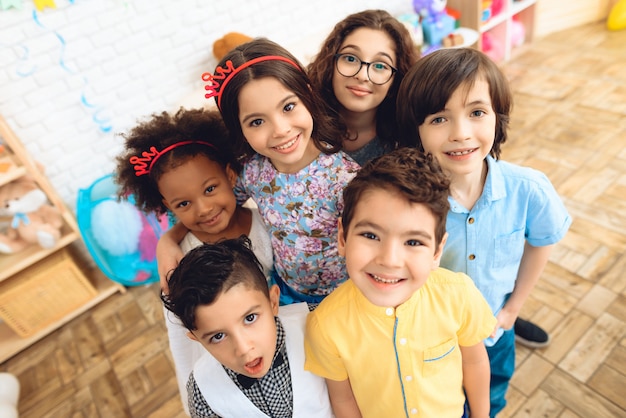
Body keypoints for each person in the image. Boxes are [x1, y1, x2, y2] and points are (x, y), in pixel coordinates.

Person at [396, 47, 572, 417]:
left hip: (494, 332)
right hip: (433, 343)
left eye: (477, 113)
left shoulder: (529, 190)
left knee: (489, 402)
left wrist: (513, 309)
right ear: (417, 130)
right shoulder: (406, 202)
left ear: (497, 117)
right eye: (439, 118)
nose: (461, 134)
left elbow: (541, 243)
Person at [160, 37, 360, 305]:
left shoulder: (348, 179)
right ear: (239, 129)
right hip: (285, 294)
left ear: (308, 96)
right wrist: (168, 241)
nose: (280, 129)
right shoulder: (251, 171)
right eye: (256, 121)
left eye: (288, 107)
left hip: (347, 297)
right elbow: (212, 208)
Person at [304, 148, 496, 418]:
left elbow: (474, 361)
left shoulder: (458, 295)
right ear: (343, 238)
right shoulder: (325, 325)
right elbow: (344, 400)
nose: (390, 260)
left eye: (413, 242)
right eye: (371, 235)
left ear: (437, 252)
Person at [114, 108, 273, 414]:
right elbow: (181, 338)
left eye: (210, 189)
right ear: (167, 205)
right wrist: (193, 398)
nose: (203, 209)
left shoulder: (266, 219)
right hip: (234, 366)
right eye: (184, 203)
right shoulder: (179, 261)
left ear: (229, 175)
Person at [162, 237, 332, 417]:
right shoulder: (202, 393)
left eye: (250, 318)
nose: (243, 348)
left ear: (273, 302)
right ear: (196, 339)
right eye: (218, 336)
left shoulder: (320, 323)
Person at [307, 9, 419, 166]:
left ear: (396, 79)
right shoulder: (303, 125)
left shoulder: (406, 144)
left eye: (380, 65)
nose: (362, 75)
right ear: (330, 63)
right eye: (350, 58)